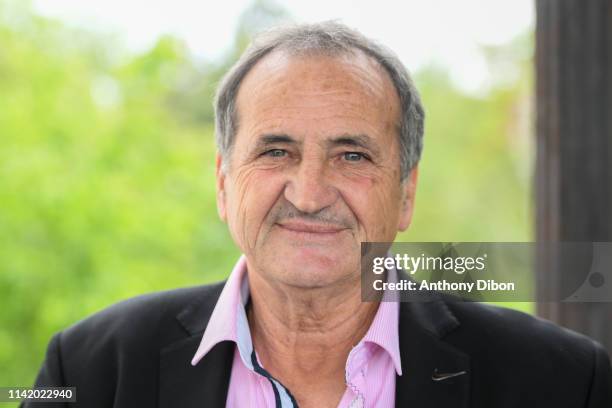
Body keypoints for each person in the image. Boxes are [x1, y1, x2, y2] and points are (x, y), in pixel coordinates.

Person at [25, 21, 611, 408]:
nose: (308, 193)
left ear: (406, 194)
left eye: (351, 155)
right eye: (276, 151)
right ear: (225, 182)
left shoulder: (561, 383)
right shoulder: (87, 371)